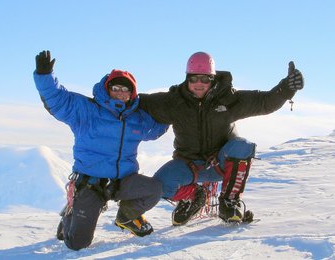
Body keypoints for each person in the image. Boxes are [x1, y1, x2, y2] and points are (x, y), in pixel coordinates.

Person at [138, 51, 304, 225]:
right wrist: (112, 92)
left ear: (213, 79)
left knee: (242, 146)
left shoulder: (228, 99)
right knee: (159, 186)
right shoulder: (174, 102)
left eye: (205, 79)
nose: (199, 84)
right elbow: (138, 102)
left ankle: (230, 201)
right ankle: (194, 197)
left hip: (221, 164)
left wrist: (286, 88)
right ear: (187, 79)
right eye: (194, 79)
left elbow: (264, 102)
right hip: (189, 166)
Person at [33, 50, 168, 250]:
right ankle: (70, 214)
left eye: (126, 89)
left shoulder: (136, 117)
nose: (121, 92)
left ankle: (127, 217)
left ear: (132, 94)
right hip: (91, 183)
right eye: (116, 87)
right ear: (107, 89)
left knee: (154, 189)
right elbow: (58, 99)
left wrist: (174, 113)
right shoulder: (87, 110)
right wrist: (44, 76)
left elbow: (157, 128)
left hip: (123, 181)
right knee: (78, 243)